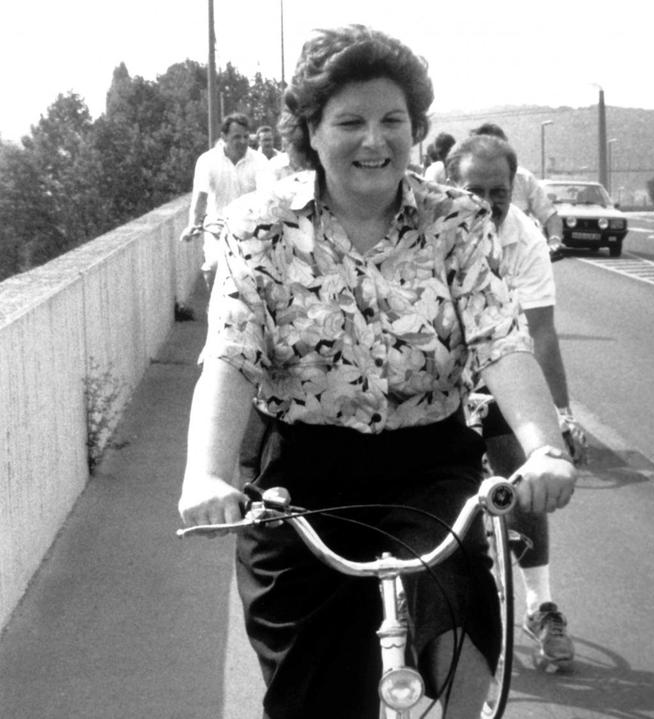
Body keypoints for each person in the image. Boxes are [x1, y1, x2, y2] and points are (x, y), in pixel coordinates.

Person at [176, 25, 577, 719]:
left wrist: (544, 445)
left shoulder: (457, 221)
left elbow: (503, 340)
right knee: (314, 688)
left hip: (426, 465)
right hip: (300, 476)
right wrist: (206, 473)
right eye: (350, 122)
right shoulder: (258, 226)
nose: (374, 140)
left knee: (460, 625)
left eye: (393, 121)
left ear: (417, 127)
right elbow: (231, 358)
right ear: (310, 130)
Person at [445, 133, 586, 672]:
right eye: (473, 187)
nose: (486, 200)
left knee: (522, 479)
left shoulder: (524, 238)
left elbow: (542, 335)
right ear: (449, 184)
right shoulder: (428, 224)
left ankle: (540, 604)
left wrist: (559, 420)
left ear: (515, 188)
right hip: (439, 373)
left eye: (498, 190)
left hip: (503, 366)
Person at [180, 113, 273, 289]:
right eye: (236, 137)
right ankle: (214, 311)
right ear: (224, 137)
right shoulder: (207, 160)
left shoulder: (259, 161)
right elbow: (200, 197)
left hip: (249, 228)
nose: (243, 141)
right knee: (214, 267)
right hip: (217, 227)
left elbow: (266, 196)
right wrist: (192, 224)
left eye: (246, 137)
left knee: (255, 278)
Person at [469, 122, 565, 252]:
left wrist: (555, 240)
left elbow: (550, 216)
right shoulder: (465, 179)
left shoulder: (524, 179)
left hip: (519, 257)